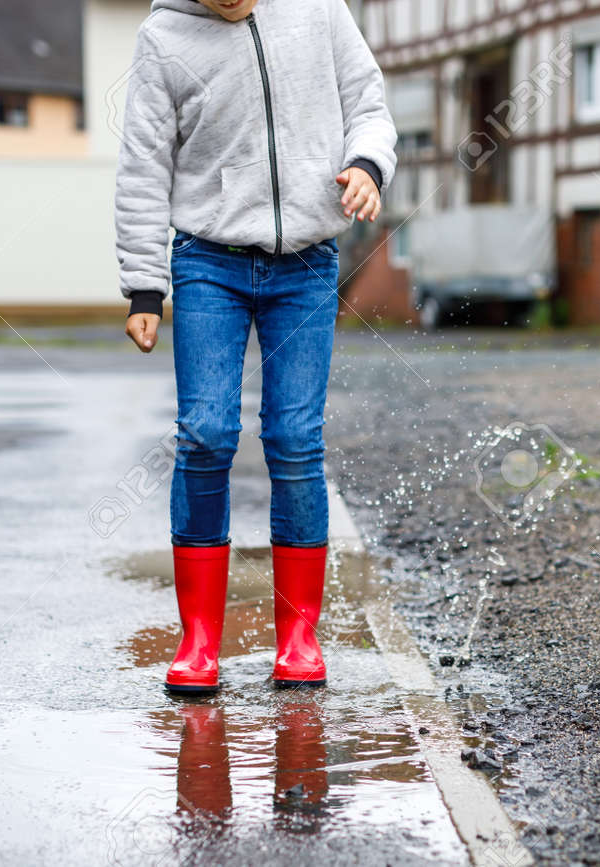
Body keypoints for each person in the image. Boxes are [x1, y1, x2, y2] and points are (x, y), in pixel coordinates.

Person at [114, 0, 396, 694]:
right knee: (206, 434)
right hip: (208, 262)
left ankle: (299, 635)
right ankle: (200, 639)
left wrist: (367, 164)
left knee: (295, 439)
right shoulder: (164, 37)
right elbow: (144, 164)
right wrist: (145, 287)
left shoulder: (319, 9)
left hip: (306, 264)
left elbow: (368, 100)